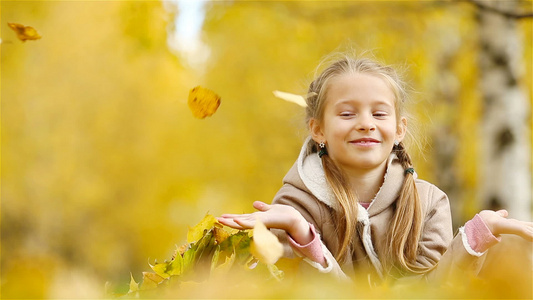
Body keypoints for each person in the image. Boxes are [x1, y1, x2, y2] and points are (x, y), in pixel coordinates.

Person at [217, 54, 533, 283]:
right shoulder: (294, 207)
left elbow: (434, 293)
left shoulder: (428, 204)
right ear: (318, 130)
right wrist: (303, 235)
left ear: (399, 129)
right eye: (347, 114)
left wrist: (478, 233)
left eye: (379, 114)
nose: (366, 124)